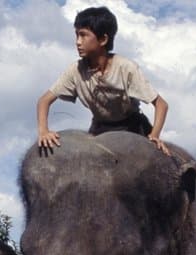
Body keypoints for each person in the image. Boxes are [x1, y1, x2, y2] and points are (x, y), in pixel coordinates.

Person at [37, 6, 171, 154]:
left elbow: (161, 105)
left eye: (83, 35)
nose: (78, 42)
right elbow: (44, 100)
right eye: (76, 35)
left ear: (103, 39)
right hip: (100, 129)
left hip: (133, 127)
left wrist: (154, 135)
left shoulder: (125, 68)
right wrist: (44, 131)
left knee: (159, 161)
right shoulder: (76, 71)